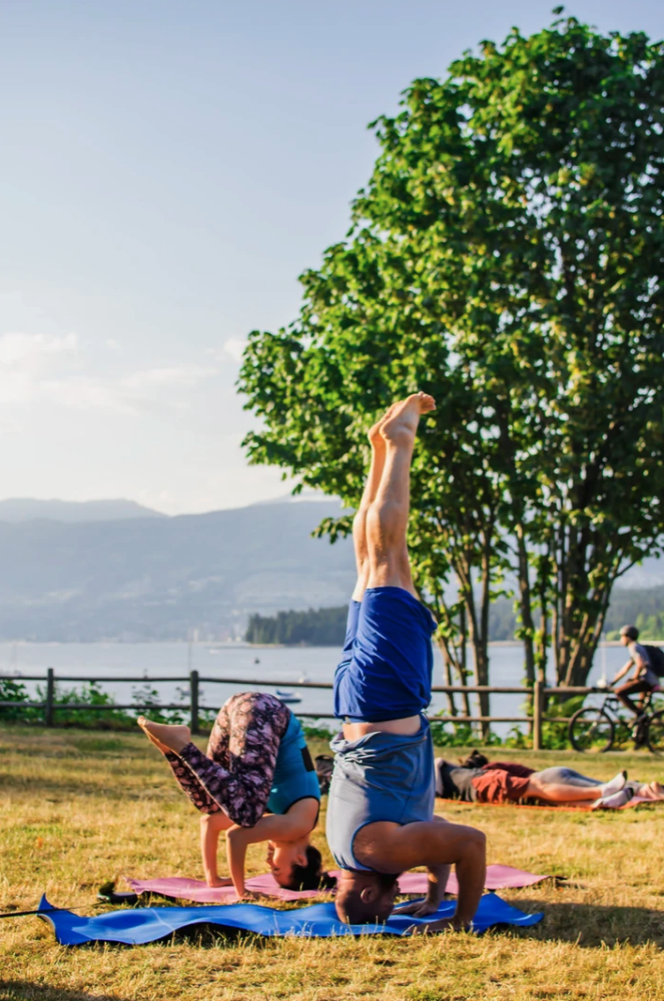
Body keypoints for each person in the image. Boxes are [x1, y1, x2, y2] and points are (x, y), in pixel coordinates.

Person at [326, 393, 487, 932]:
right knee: (369, 560)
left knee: (389, 552)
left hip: (386, 697)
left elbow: (468, 842)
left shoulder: (381, 854)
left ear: (371, 892)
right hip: (356, 703)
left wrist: (458, 918)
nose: (398, 897)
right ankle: (380, 448)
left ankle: (400, 443)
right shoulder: (352, 850)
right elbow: (430, 830)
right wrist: (434, 892)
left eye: (389, 903)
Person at [137, 692, 332, 897]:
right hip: (266, 713)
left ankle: (170, 747)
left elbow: (210, 822)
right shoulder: (297, 826)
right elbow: (236, 835)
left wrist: (213, 878)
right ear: (301, 860)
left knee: (211, 803)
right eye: (276, 868)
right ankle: (181, 745)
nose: (268, 862)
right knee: (246, 814)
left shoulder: (281, 816)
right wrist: (242, 892)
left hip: (240, 707)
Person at [434, 752, 664, 808]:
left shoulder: (477, 775)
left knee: (539, 790)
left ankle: (601, 795)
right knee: (601, 784)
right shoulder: (449, 770)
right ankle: (643, 788)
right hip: (552, 773)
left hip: (488, 783)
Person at [611, 625, 660, 720]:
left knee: (619, 692)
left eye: (622, 637)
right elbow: (625, 669)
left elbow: (640, 664)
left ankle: (640, 715)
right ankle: (641, 728)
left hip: (647, 680)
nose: (621, 640)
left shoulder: (634, 647)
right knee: (640, 705)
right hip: (652, 680)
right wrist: (613, 682)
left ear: (628, 637)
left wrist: (634, 678)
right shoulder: (638, 647)